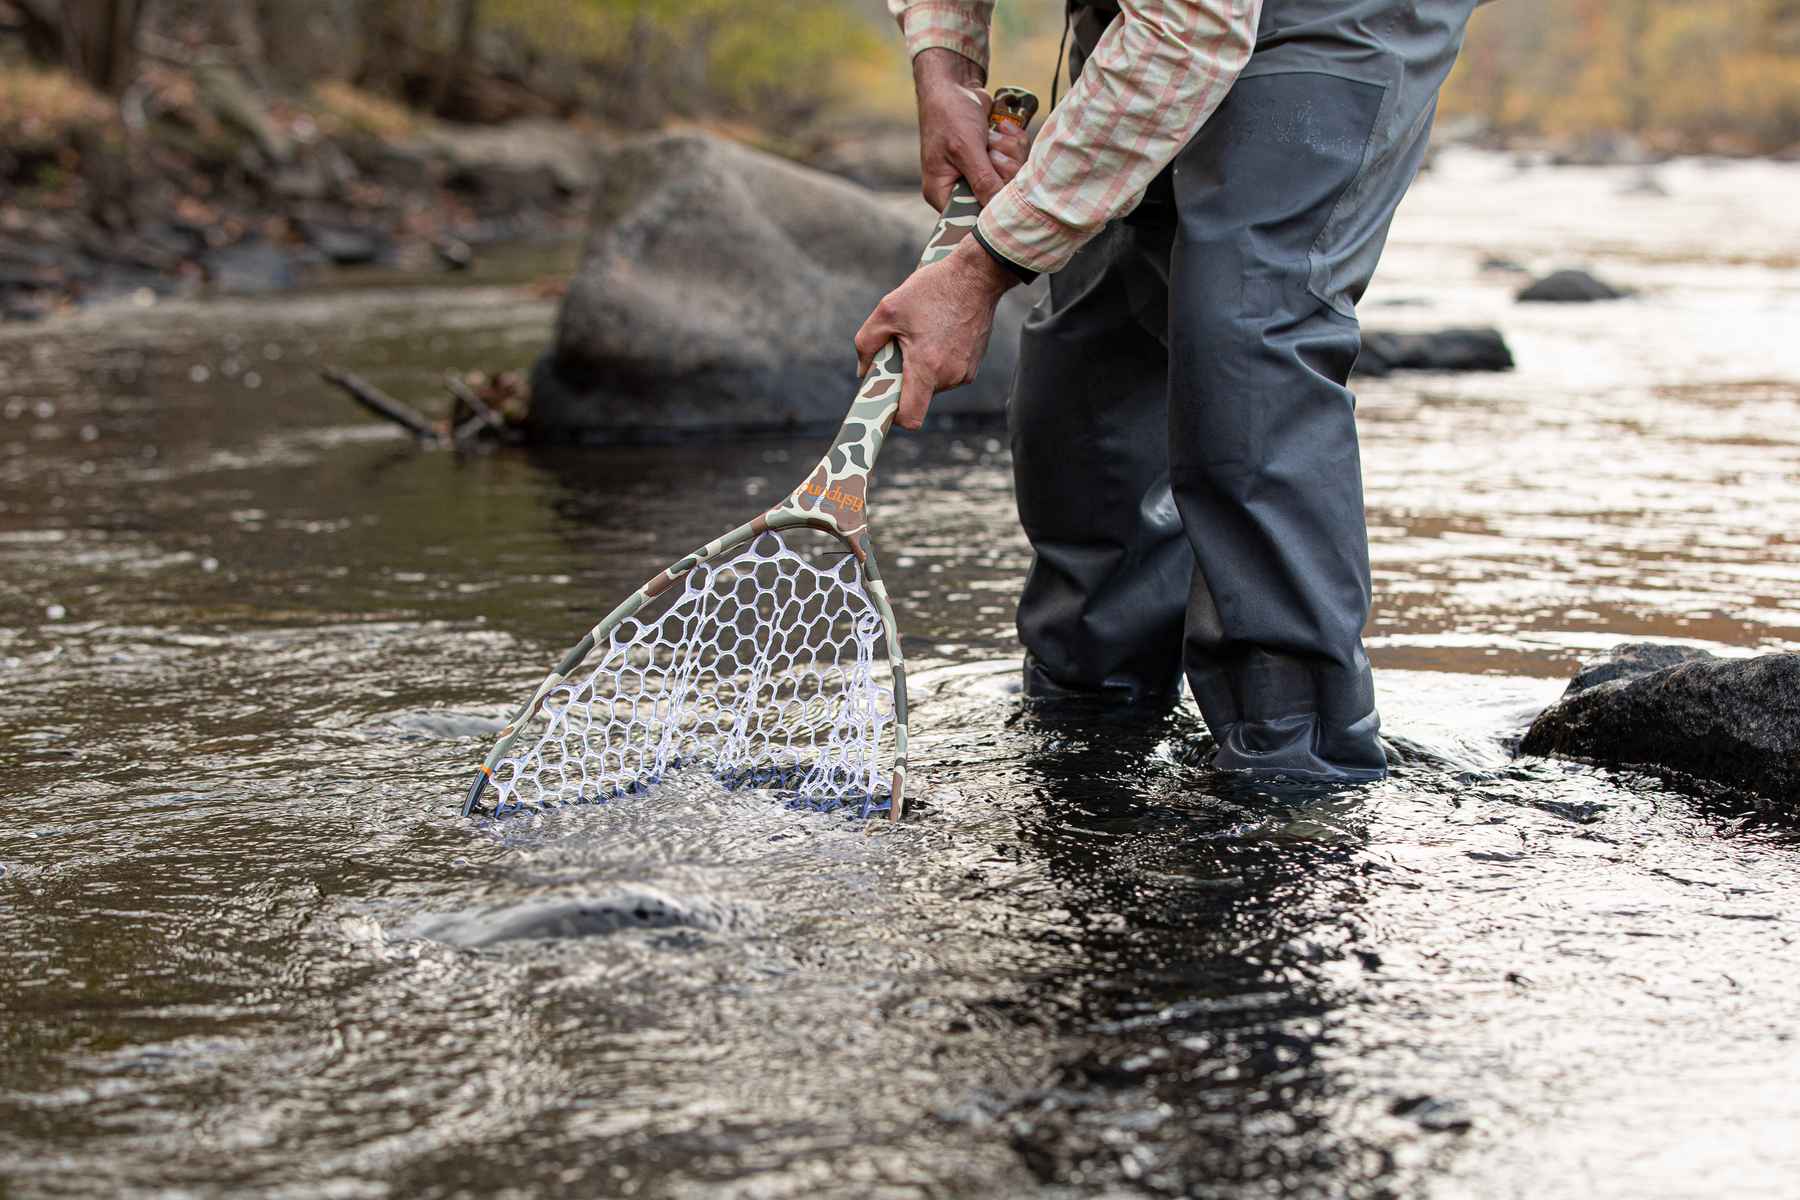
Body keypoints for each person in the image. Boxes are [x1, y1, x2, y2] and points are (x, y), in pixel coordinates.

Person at [855, 0, 1480, 782]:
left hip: (1324, 15)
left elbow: (1195, 29)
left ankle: (1296, 763)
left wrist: (982, 271)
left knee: (1246, 329)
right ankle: (1088, 722)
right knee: (1086, 354)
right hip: (1143, 16)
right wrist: (945, 66)